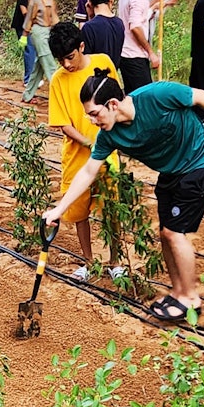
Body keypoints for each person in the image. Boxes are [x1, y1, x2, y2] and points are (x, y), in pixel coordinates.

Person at [43, 73, 204, 321]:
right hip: (171, 171)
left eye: (94, 113)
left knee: (175, 233)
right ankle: (178, 291)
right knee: (165, 233)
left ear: (113, 104)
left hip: (200, 161)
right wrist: (59, 208)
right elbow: (88, 171)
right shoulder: (109, 135)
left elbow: (201, 97)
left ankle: (191, 299)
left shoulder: (157, 95)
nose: (91, 120)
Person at [46, 22, 126, 283]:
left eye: (70, 57)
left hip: (109, 155)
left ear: (81, 47)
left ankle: (115, 262)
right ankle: (89, 262)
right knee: (78, 212)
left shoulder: (102, 63)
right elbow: (62, 123)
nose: (66, 65)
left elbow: (118, 100)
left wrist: (110, 141)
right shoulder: (58, 80)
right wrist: (90, 144)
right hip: (76, 158)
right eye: (61, 60)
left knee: (112, 209)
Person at [117, 0, 177, 93]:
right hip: (134, 56)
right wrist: (150, 52)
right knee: (144, 100)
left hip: (128, 55)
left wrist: (155, 0)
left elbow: (141, 9)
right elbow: (135, 26)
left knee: (134, 99)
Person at [21, 0, 59, 103]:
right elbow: (29, 17)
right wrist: (24, 35)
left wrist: (59, 31)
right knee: (49, 64)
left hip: (48, 31)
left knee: (39, 67)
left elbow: (54, 17)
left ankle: (27, 96)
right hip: (38, 32)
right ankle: (60, 97)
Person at [12, 0, 48, 85]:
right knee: (30, 49)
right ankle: (29, 80)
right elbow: (22, 4)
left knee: (34, 49)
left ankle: (33, 78)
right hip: (22, 23)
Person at [81, 0, 125, 69]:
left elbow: (85, 60)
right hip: (113, 78)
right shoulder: (119, 24)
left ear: (89, 1)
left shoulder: (88, 28)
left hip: (94, 81)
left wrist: (90, 17)